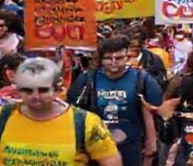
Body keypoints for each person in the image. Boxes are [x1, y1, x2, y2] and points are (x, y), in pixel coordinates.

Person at [0, 57, 121, 166]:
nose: (35, 96)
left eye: (43, 90)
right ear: (18, 90)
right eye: (27, 90)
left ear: (57, 91)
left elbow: (110, 160)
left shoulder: (86, 123)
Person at [68, 35, 163, 166]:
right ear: (101, 59)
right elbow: (73, 111)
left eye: (118, 58)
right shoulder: (88, 79)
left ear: (127, 57)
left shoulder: (142, 79)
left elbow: (155, 110)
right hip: (96, 148)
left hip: (133, 148)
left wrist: (151, 143)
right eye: (108, 58)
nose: (113, 62)